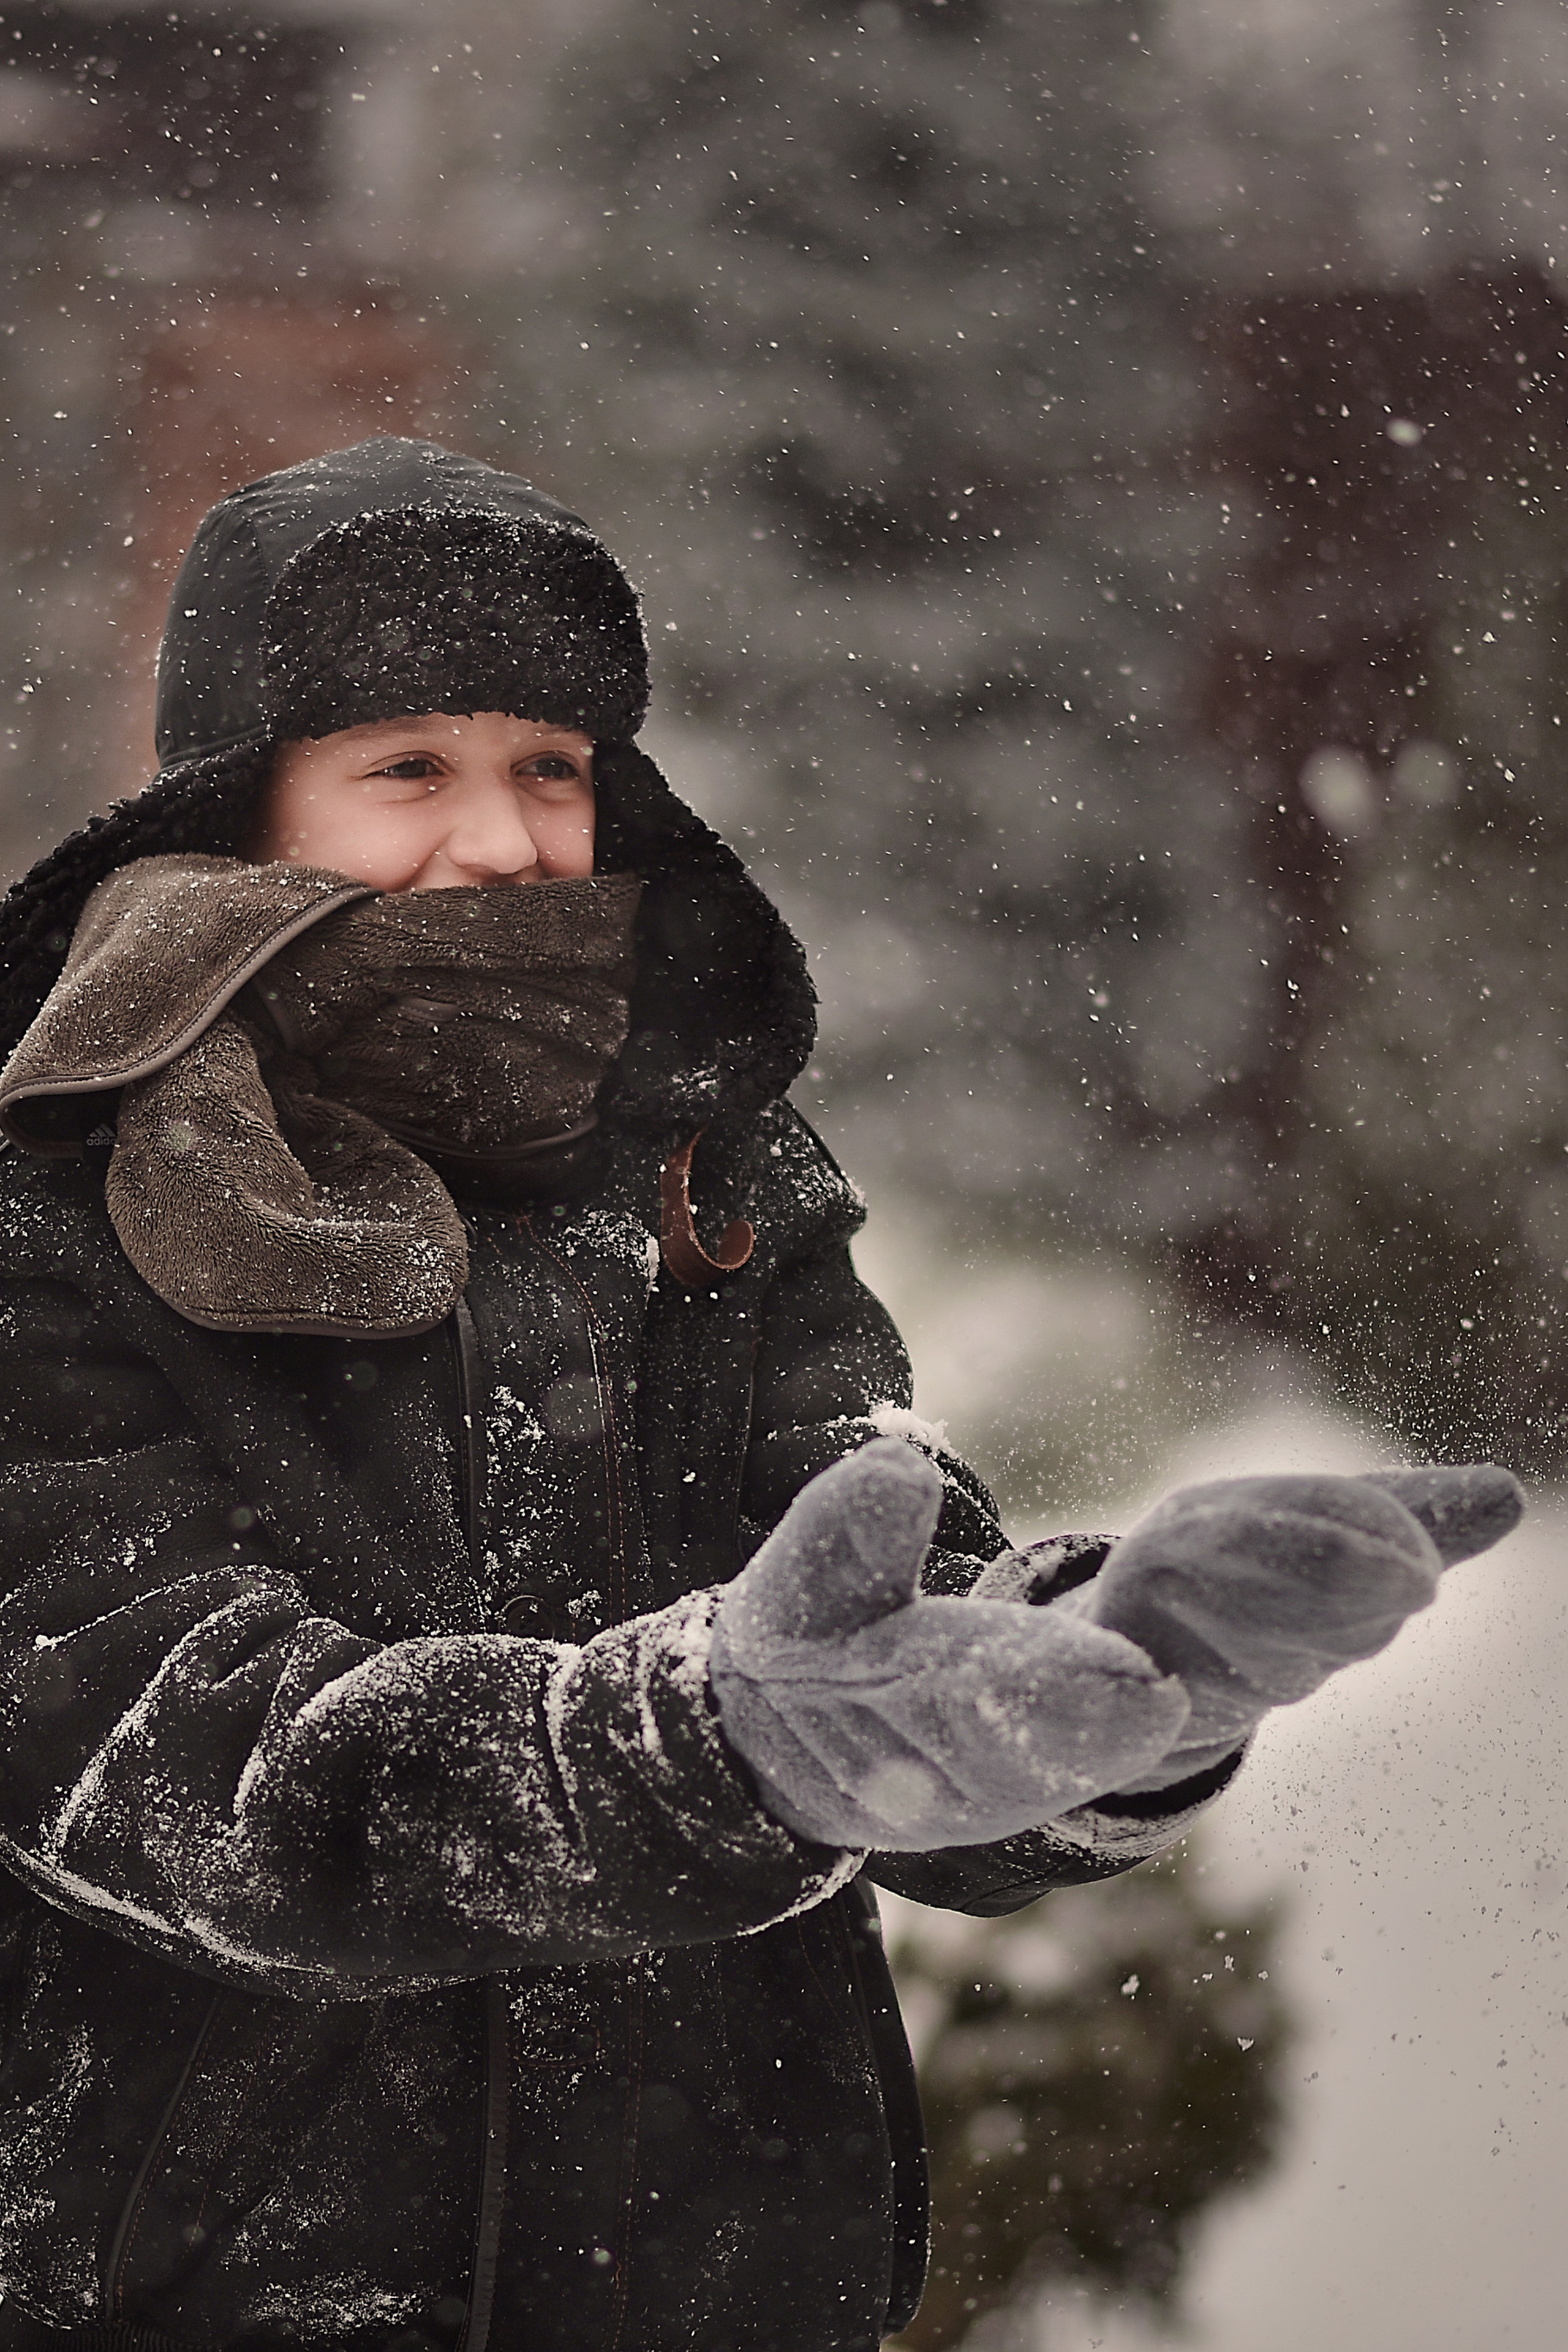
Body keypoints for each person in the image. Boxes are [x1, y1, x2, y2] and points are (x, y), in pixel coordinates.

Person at [0, 439, 1521, 2352]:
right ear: (242, 810)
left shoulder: (718, 1175)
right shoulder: (51, 1200)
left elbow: (871, 1614)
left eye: (552, 767)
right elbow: (160, 1755)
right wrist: (702, 1749)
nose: (502, 841)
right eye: (409, 770)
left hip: (725, 2281)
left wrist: (1104, 1687)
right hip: (222, 2293)